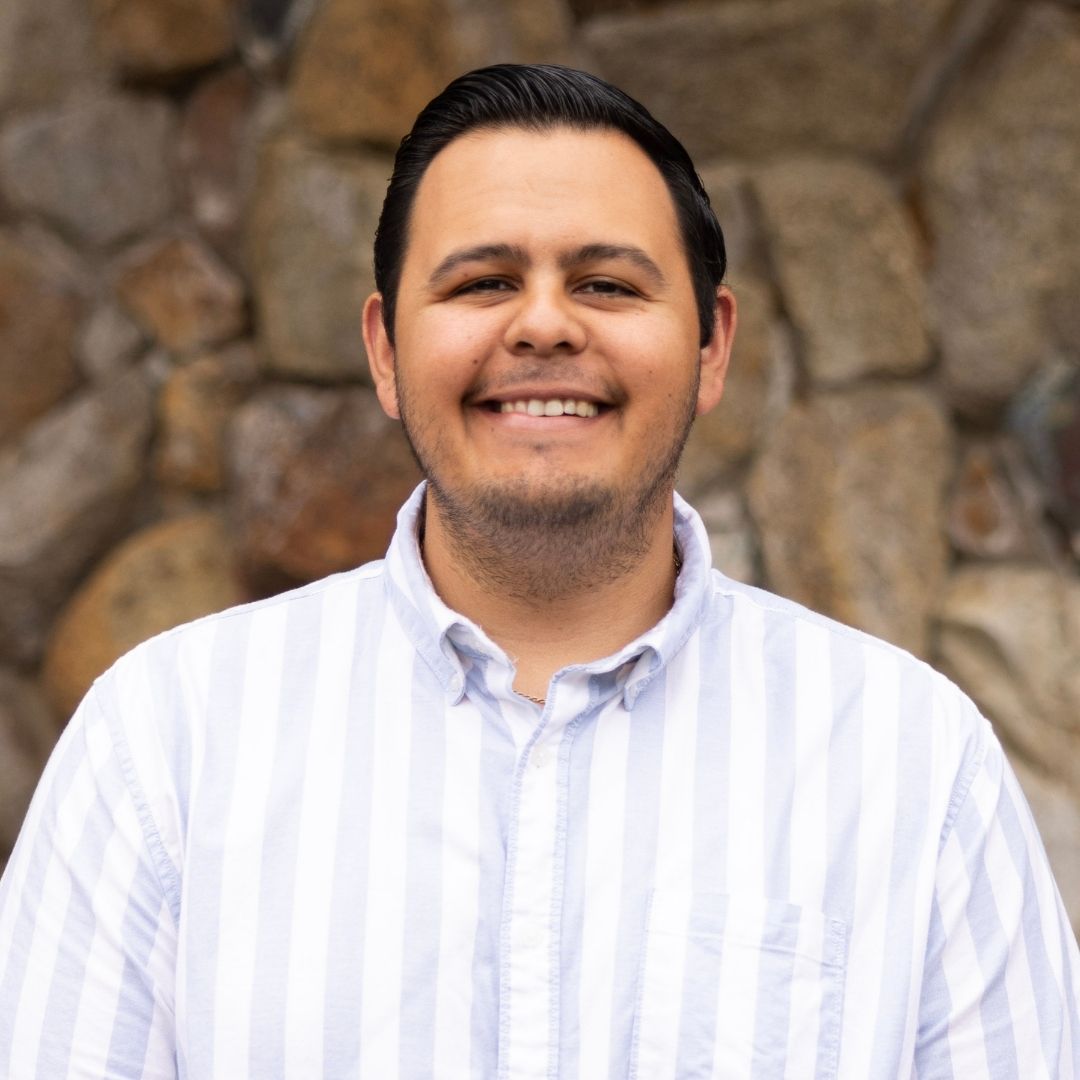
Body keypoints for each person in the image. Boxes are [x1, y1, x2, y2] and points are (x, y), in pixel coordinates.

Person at [0, 63, 1076, 1079]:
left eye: (606, 283)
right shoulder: (167, 745)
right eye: (484, 282)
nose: (546, 325)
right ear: (385, 351)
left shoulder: (911, 765)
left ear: (711, 346)